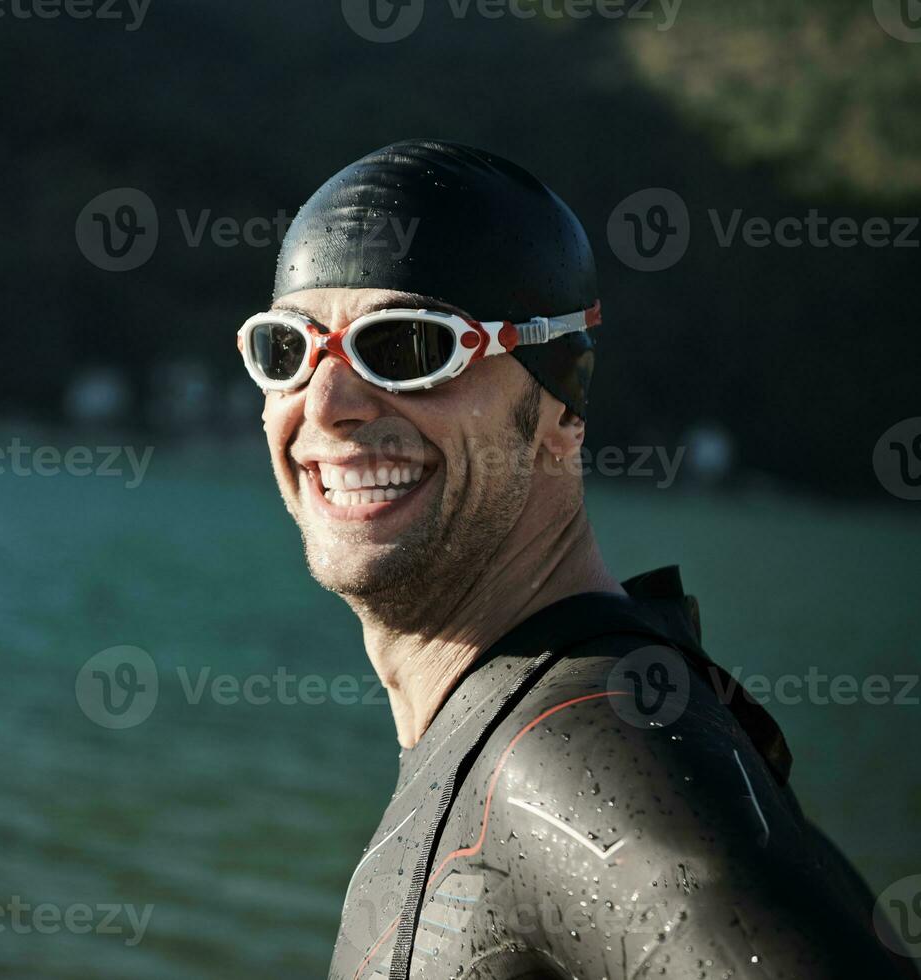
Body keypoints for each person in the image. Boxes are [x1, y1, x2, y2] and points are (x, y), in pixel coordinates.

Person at [236, 139, 918, 979]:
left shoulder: (590, 757)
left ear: (562, 401)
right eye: (286, 351)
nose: (328, 406)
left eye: (408, 348)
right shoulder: (532, 725)